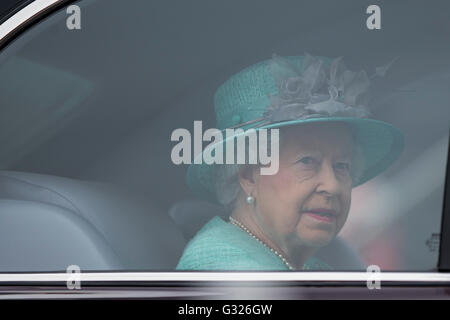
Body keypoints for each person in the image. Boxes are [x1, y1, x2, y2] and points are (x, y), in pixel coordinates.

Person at [176, 53, 404, 270]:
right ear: (247, 174)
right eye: (307, 161)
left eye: (342, 166)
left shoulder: (297, 260)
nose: (333, 186)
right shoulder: (232, 271)